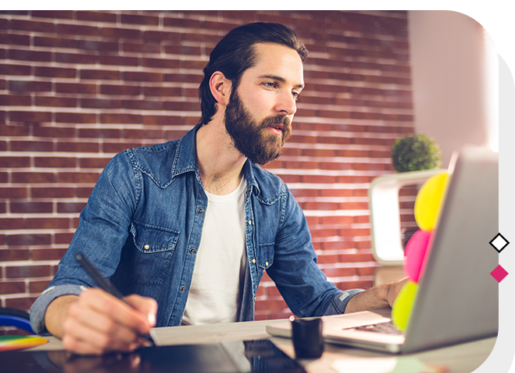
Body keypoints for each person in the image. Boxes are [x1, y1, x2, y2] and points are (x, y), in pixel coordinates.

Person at [30, 22, 407, 355]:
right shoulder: (135, 175)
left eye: (296, 92)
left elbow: (317, 302)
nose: (288, 105)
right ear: (221, 88)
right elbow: (63, 292)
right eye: (271, 84)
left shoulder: (275, 201)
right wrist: (74, 316)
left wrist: (385, 294)